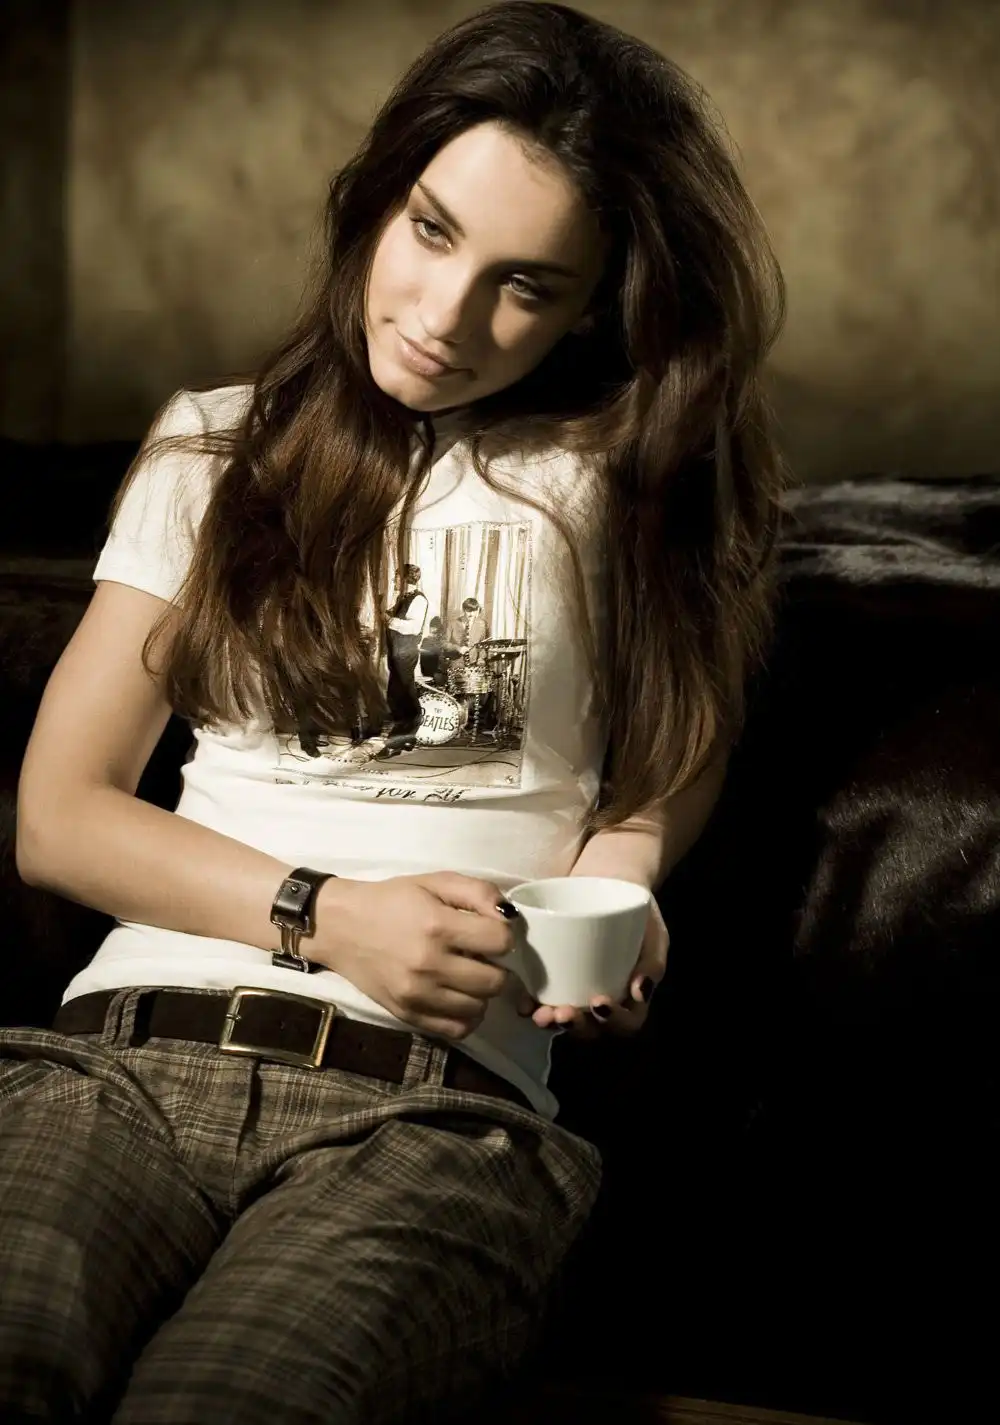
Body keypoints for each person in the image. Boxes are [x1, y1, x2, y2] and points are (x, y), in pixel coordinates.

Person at [0, 2, 788, 1421]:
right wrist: (327, 915)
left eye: (523, 285)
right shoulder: (214, 449)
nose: (441, 317)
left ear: (592, 306)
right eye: (430, 231)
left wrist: (618, 889)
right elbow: (57, 816)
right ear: (377, 198)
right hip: (113, 1067)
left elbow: (674, 750)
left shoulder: (627, 477)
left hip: (431, 1117)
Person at [384, 562, 429, 734]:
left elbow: (413, 628)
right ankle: (404, 734)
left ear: (405, 579)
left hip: (406, 652)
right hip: (396, 651)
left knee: (402, 694)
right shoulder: (401, 598)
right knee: (397, 694)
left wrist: (389, 620)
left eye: (396, 577)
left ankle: (407, 734)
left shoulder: (418, 599)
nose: (393, 581)